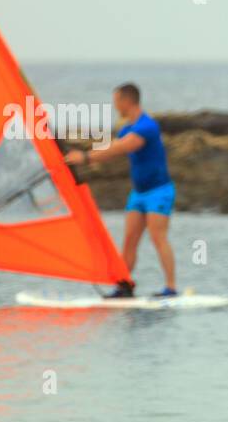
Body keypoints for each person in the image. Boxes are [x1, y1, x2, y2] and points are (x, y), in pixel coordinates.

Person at [66, 83, 177, 297]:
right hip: (139, 193)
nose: (115, 105)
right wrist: (80, 152)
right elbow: (111, 144)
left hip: (159, 192)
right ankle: (124, 286)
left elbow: (121, 147)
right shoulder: (128, 128)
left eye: (116, 101)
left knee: (158, 237)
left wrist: (86, 158)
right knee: (129, 239)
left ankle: (171, 288)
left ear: (127, 101)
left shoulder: (147, 127)